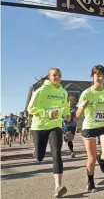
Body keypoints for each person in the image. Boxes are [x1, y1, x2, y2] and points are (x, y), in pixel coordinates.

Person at [27, 67, 70, 198]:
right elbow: (30, 108)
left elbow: (65, 106)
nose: (57, 77)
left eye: (59, 75)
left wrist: (67, 114)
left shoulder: (63, 92)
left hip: (55, 125)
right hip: (39, 126)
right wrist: (47, 113)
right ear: (49, 77)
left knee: (57, 153)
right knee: (40, 157)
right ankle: (37, 151)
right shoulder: (41, 90)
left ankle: (58, 186)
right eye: (54, 75)